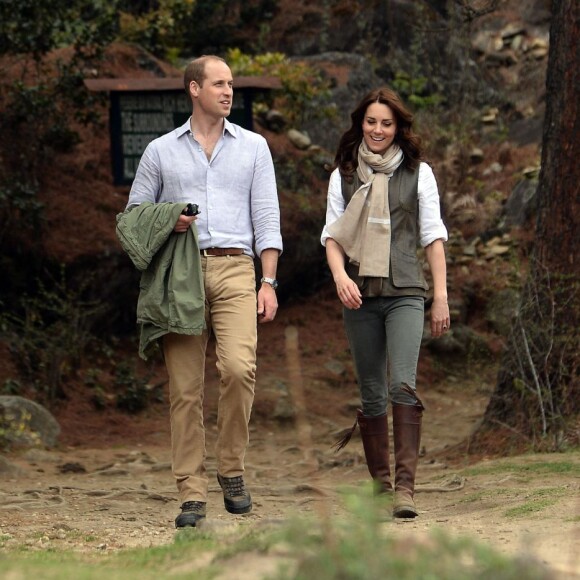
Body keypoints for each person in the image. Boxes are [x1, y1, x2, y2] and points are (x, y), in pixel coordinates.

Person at [122, 55, 282, 528]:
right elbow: (133, 217)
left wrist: (268, 281)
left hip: (237, 269)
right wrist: (168, 219)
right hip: (181, 274)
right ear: (194, 89)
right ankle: (191, 491)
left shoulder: (254, 147)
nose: (228, 91)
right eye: (218, 84)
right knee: (185, 390)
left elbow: (267, 219)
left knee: (238, 369)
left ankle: (231, 468)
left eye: (231, 84)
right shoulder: (160, 151)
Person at [321, 87, 449, 518]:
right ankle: (381, 488)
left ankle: (406, 491)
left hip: (406, 293)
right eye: (371, 122)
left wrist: (440, 298)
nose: (378, 130)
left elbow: (432, 236)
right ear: (361, 124)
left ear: (398, 128)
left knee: (402, 386)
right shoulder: (342, 175)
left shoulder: (419, 173)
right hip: (358, 295)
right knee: (372, 392)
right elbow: (333, 236)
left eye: (386, 123)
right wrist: (340, 277)